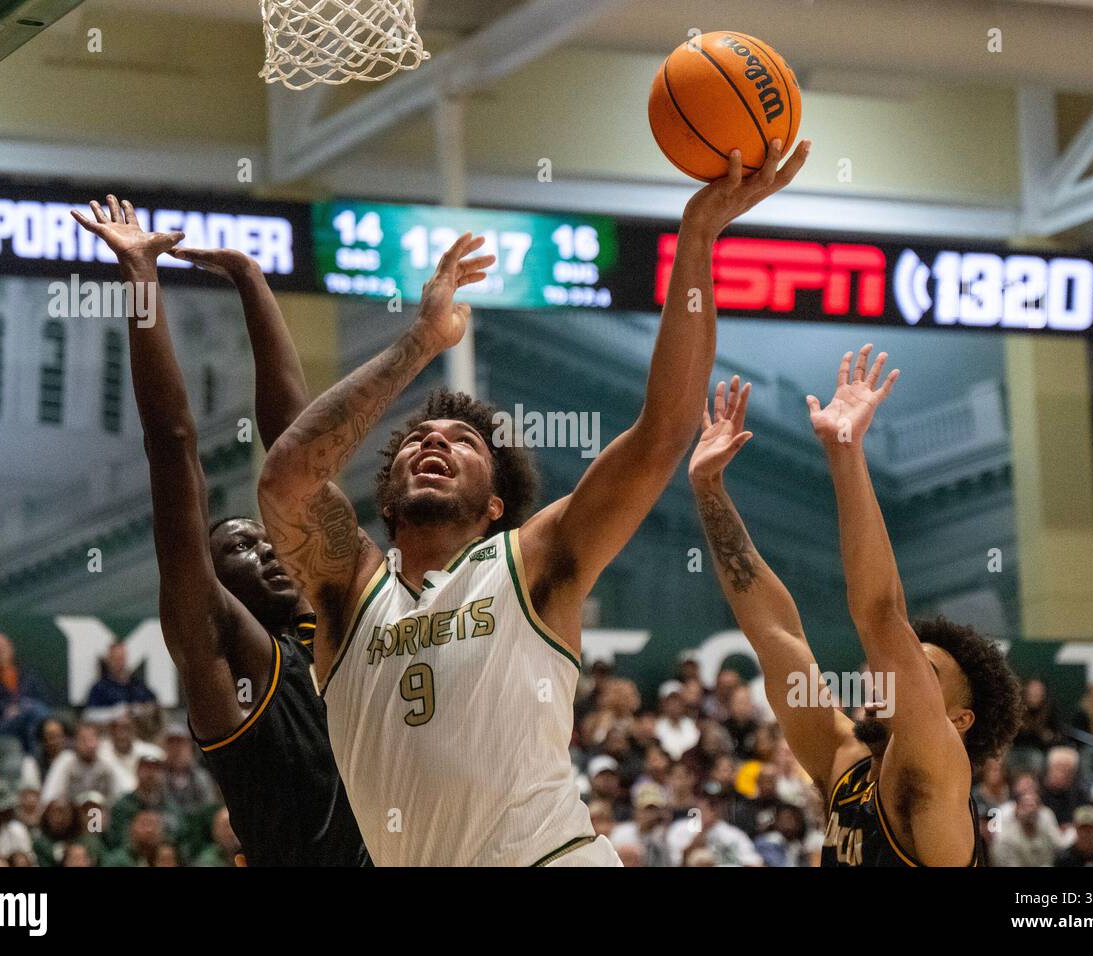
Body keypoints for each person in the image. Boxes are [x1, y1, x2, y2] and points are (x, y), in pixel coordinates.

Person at [256, 143, 810, 866]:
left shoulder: (531, 558)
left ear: (494, 504)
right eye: (419, 440)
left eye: (462, 442)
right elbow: (285, 480)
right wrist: (419, 343)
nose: (435, 443)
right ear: (387, 500)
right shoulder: (346, 590)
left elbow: (665, 430)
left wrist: (698, 236)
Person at [72, 196, 367, 867]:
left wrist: (251, 280)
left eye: (262, 538)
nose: (264, 546)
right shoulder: (232, 655)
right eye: (238, 546)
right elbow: (172, 446)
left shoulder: (334, 622)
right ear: (212, 583)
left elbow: (300, 449)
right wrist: (143, 279)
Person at [690, 354, 1021, 867]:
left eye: (924, 672)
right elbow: (775, 631)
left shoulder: (935, 774)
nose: (892, 672)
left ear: (958, 720)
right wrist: (710, 491)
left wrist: (845, 453)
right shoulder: (844, 762)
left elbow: (883, 617)